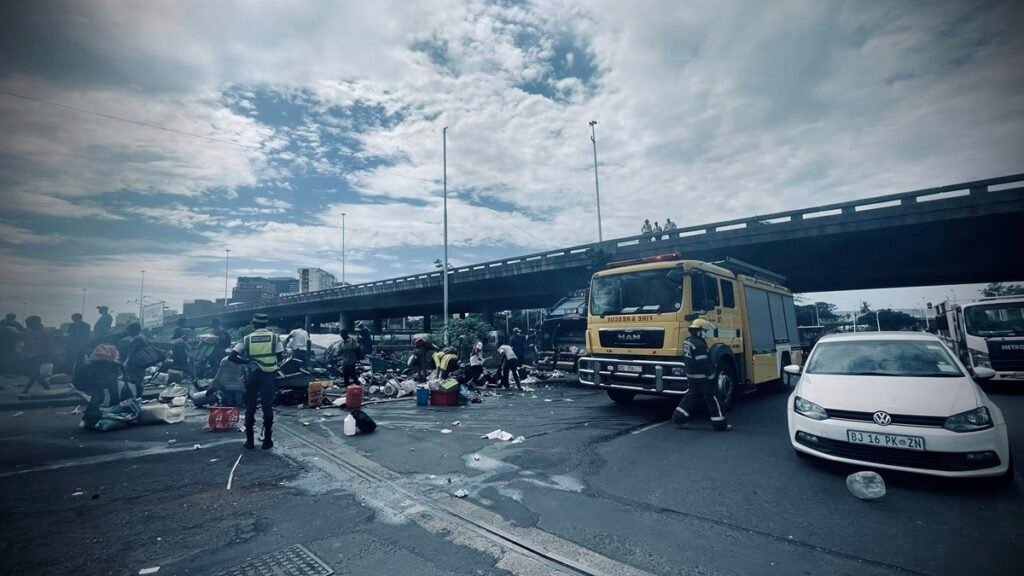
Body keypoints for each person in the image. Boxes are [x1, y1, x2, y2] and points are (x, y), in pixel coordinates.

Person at [228, 313, 283, 450]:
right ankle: (267, 441)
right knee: (267, 407)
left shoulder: (246, 339)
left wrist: (247, 361)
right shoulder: (274, 338)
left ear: (254, 324)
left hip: (252, 375)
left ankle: (249, 441)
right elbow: (280, 356)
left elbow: (232, 357)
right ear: (266, 324)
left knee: (250, 407)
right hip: (268, 376)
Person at [672, 319, 732, 431]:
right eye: (704, 331)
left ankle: (678, 418)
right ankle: (720, 425)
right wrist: (711, 375)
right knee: (713, 399)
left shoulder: (688, 341)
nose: (705, 333)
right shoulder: (699, 345)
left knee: (691, 398)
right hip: (703, 378)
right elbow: (703, 363)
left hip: (692, 377)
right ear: (698, 331)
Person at [74, 344, 128, 426]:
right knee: (114, 397)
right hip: (109, 382)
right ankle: (113, 416)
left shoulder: (92, 364)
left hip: (96, 383)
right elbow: (122, 368)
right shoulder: (113, 363)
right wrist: (126, 378)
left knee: (96, 399)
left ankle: (90, 418)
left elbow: (81, 374)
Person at [21, 316, 54, 394]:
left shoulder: (45, 332)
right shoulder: (29, 331)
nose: (27, 325)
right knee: (35, 374)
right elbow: (27, 344)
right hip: (30, 355)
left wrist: (50, 355)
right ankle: (47, 388)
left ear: (35, 323)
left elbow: (49, 345)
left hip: (40, 356)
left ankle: (25, 390)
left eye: (28, 323)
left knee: (34, 373)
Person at [122, 322, 151, 398]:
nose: (128, 332)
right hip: (141, 363)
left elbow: (131, 353)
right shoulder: (142, 337)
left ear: (134, 330)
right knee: (138, 381)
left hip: (135, 365)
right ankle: (138, 397)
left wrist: (126, 364)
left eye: (129, 330)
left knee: (135, 381)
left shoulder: (137, 339)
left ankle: (137, 397)